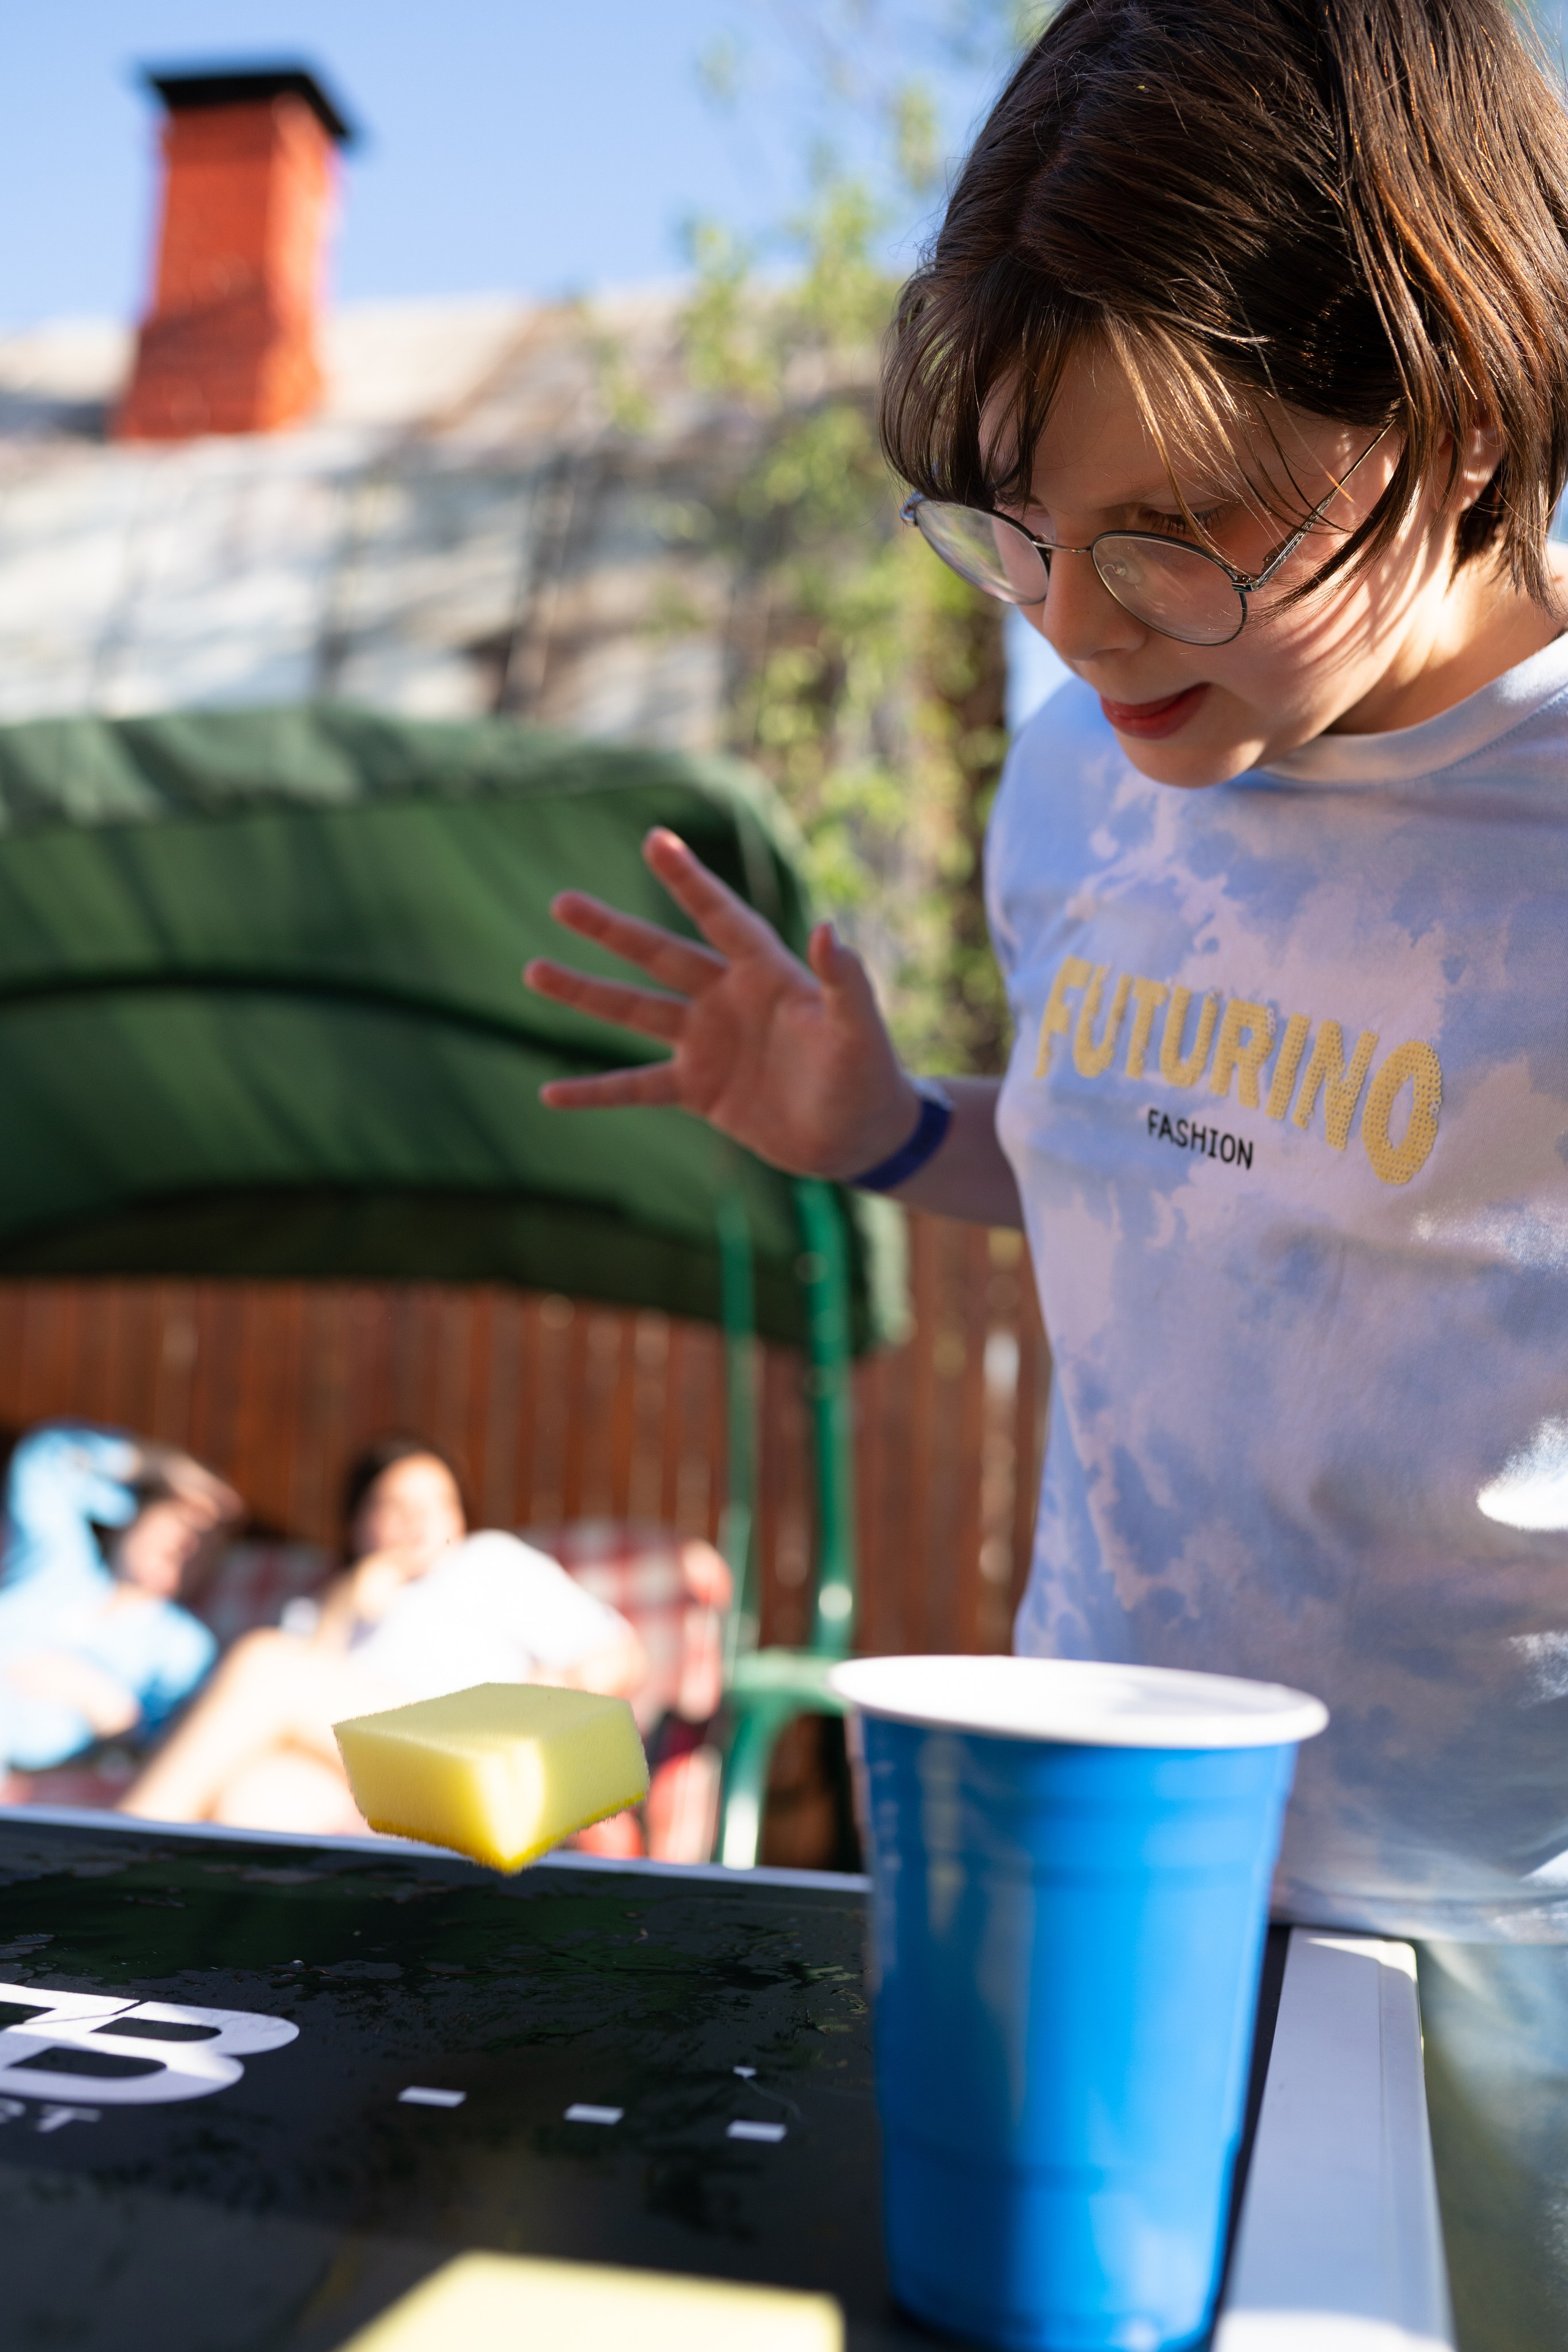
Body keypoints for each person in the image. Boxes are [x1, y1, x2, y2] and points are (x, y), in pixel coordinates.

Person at [521, 3, 1568, 2341]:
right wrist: (884, 1134)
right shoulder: (1098, 765)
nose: (1079, 627)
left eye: (1174, 539)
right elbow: (1186, 1164)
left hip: (1507, 1950)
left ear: (1459, 417)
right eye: (1019, 527)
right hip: (1089, 1847)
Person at [122, 1436, 644, 1836]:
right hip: (380, 1784)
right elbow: (272, 1716)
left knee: (264, 1660)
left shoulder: (488, 1561)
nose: (419, 1520)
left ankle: (122, 1846)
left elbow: (620, 1654)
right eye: (395, 1505)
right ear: (357, 1524)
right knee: (252, 1800)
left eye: (438, 1503)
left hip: (471, 1757)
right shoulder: (327, 1601)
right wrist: (346, 1600)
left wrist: (543, 1699)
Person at [0, 1422, 241, 1785]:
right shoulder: (57, 1563)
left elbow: (173, 1758)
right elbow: (44, 1461)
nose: (188, 1545)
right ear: (129, 1515)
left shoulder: (183, 1647)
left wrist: (112, 1711)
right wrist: (161, 1465)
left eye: (208, 1542)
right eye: (180, 1521)